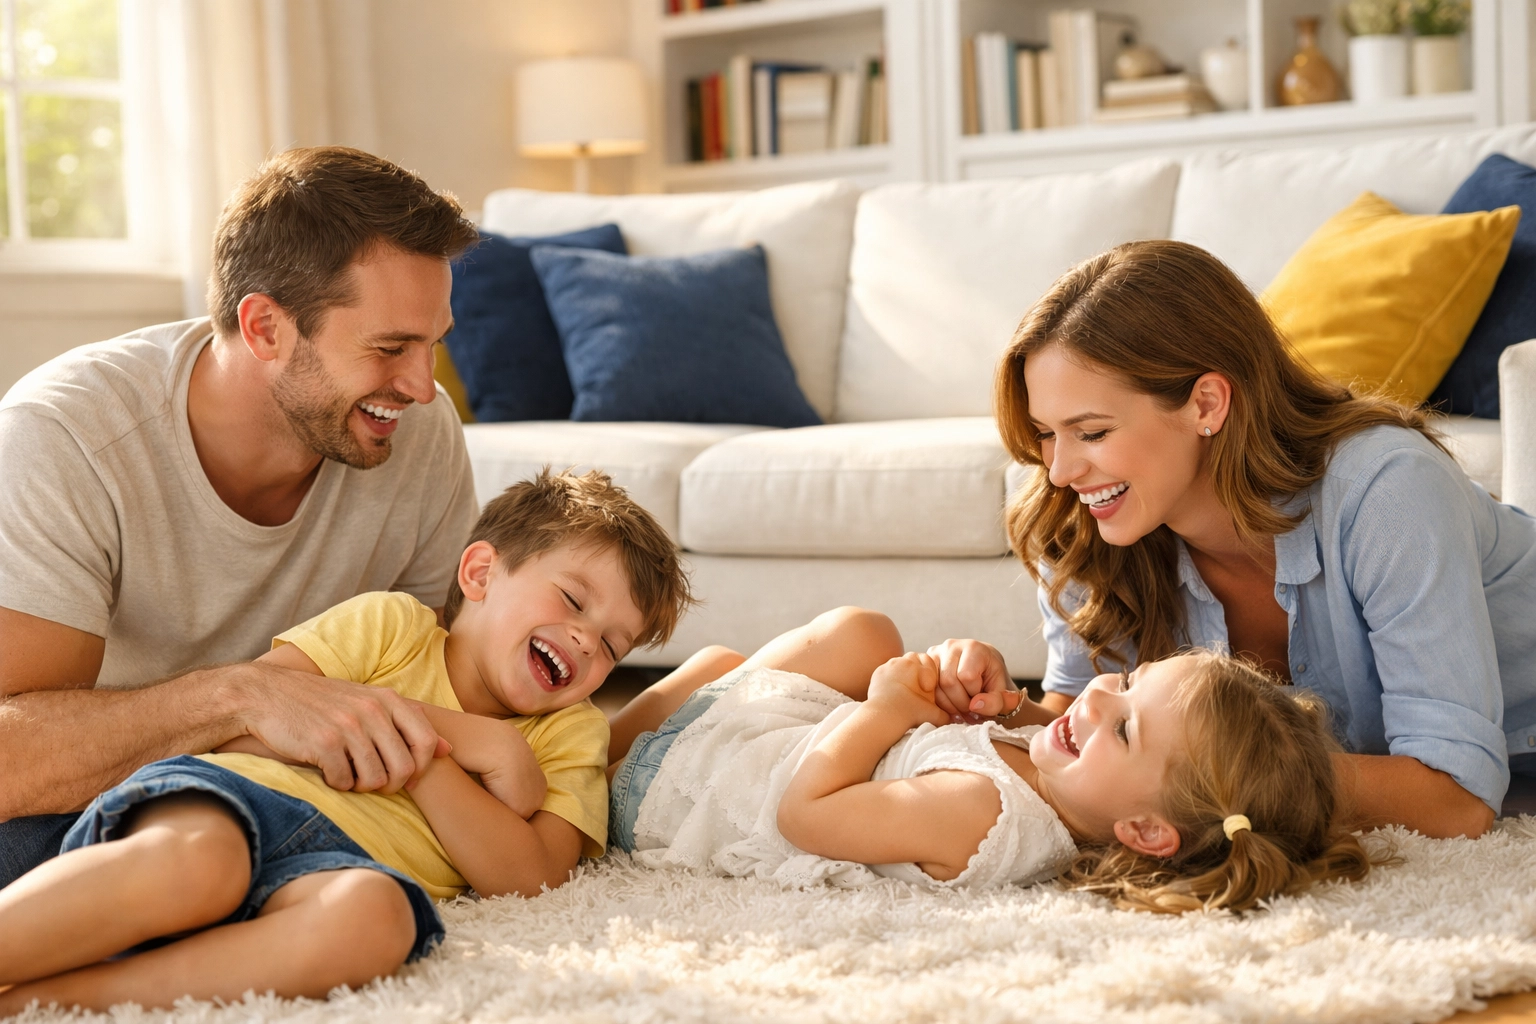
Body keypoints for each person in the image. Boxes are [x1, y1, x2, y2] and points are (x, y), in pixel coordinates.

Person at [0, 469, 693, 1014]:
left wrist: (420, 764)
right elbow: (250, 720)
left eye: (612, 644)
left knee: (379, 922)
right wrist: (465, 740)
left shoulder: (568, 729)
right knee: (201, 862)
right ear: (480, 574)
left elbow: (531, 878)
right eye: (572, 601)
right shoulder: (389, 625)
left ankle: (48, 1004)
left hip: (339, 871)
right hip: (238, 801)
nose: (584, 640)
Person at [931, 239, 1536, 840]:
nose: (1060, 470)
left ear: (1207, 403)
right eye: (1045, 433)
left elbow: (1457, 801)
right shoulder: (1083, 522)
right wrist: (1005, 707)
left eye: (1091, 432)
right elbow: (1075, 730)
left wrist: (1219, 778)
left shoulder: (1386, 491)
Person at [0, 147, 484, 885]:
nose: (422, 387)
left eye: (434, 344)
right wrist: (241, 696)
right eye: (390, 348)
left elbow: (437, 679)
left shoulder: (422, 434)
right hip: (78, 800)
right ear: (264, 327)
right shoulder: (66, 439)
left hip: (271, 795)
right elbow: (10, 763)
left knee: (371, 908)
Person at [603, 608, 1372, 911]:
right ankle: (701, 692)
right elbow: (1029, 731)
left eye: (1127, 729)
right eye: (1130, 680)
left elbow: (802, 815)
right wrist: (992, 690)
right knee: (861, 633)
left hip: (693, 788)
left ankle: (600, 757)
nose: (1097, 700)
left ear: (1144, 831)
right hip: (797, 740)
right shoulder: (1070, 778)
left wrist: (885, 710)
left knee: (716, 667)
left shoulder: (979, 815)